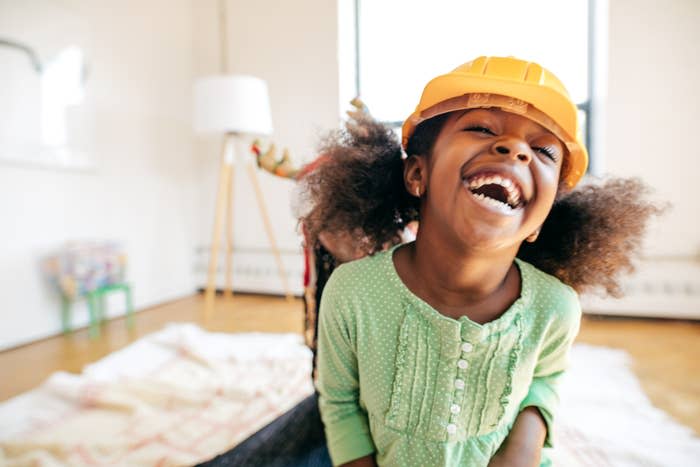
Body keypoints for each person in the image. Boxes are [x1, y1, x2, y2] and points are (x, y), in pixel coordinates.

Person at [199, 56, 661, 467]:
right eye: (482, 127)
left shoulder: (555, 307)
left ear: (542, 218)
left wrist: (527, 441)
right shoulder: (354, 291)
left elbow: (546, 378)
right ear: (417, 174)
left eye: (542, 151)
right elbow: (338, 402)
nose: (516, 149)